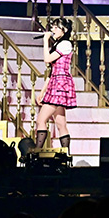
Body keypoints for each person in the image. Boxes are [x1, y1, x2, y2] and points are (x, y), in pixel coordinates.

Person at [34, 16, 77, 150]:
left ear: (64, 30)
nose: (53, 30)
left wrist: (45, 41)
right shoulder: (59, 44)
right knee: (60, 123)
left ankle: (37, 152)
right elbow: (51, 72)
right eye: (52, 27)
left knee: (41, 120)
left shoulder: (65, 44)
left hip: (60, 83)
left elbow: (47, 59)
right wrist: (42, 92)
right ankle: (66, 154)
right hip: (56, 82)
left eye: (56, 27)